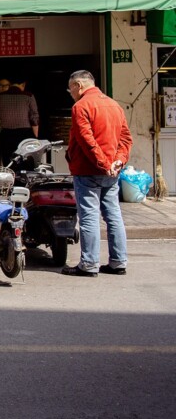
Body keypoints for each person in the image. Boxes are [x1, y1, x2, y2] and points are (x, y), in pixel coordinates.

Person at [62, 70, 132, 277]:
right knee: (113, 215)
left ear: (78, 86)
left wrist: (103, 163)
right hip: (111, 171)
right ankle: (118, 262)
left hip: (88, 170)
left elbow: (87, 140)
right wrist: (118, 161)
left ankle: (89, 264)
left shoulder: (81, 106)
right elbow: (126, 139)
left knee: (89, 217)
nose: (71, 93)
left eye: (70, 89)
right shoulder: (114, 104)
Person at [0, 79, 39, 165]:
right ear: (23, 84)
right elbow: (34, 117)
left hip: (6, 135)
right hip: (25, 135)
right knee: (25, 161)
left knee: (8, 163)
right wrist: (35, 136)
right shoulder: (29, 96)